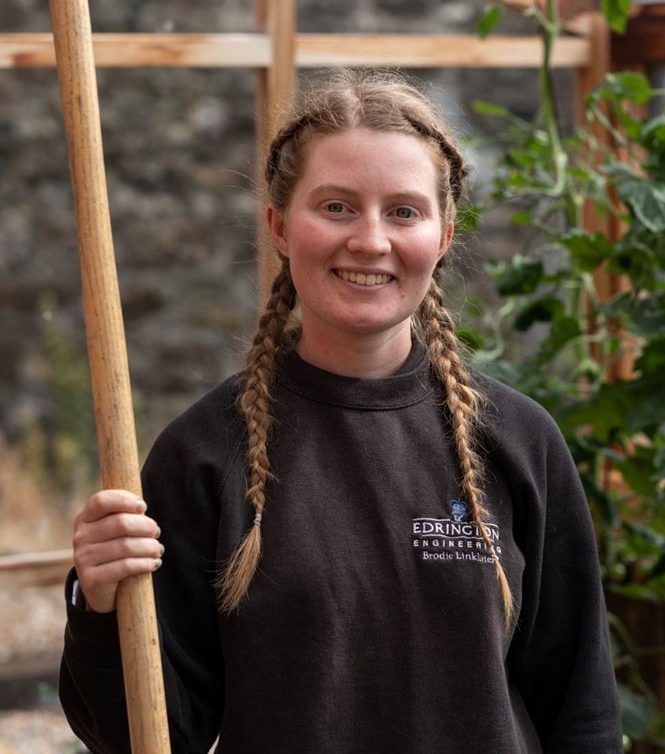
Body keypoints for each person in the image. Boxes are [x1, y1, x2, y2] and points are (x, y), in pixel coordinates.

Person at [59, 69, 623, 754]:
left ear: (444, 235)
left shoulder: (519, 441)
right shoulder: (204, 454)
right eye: (336, 207)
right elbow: (151, 738)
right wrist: (97, 598)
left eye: (404, 212)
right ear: (278, 226)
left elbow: (583, 715)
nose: (370, 240)